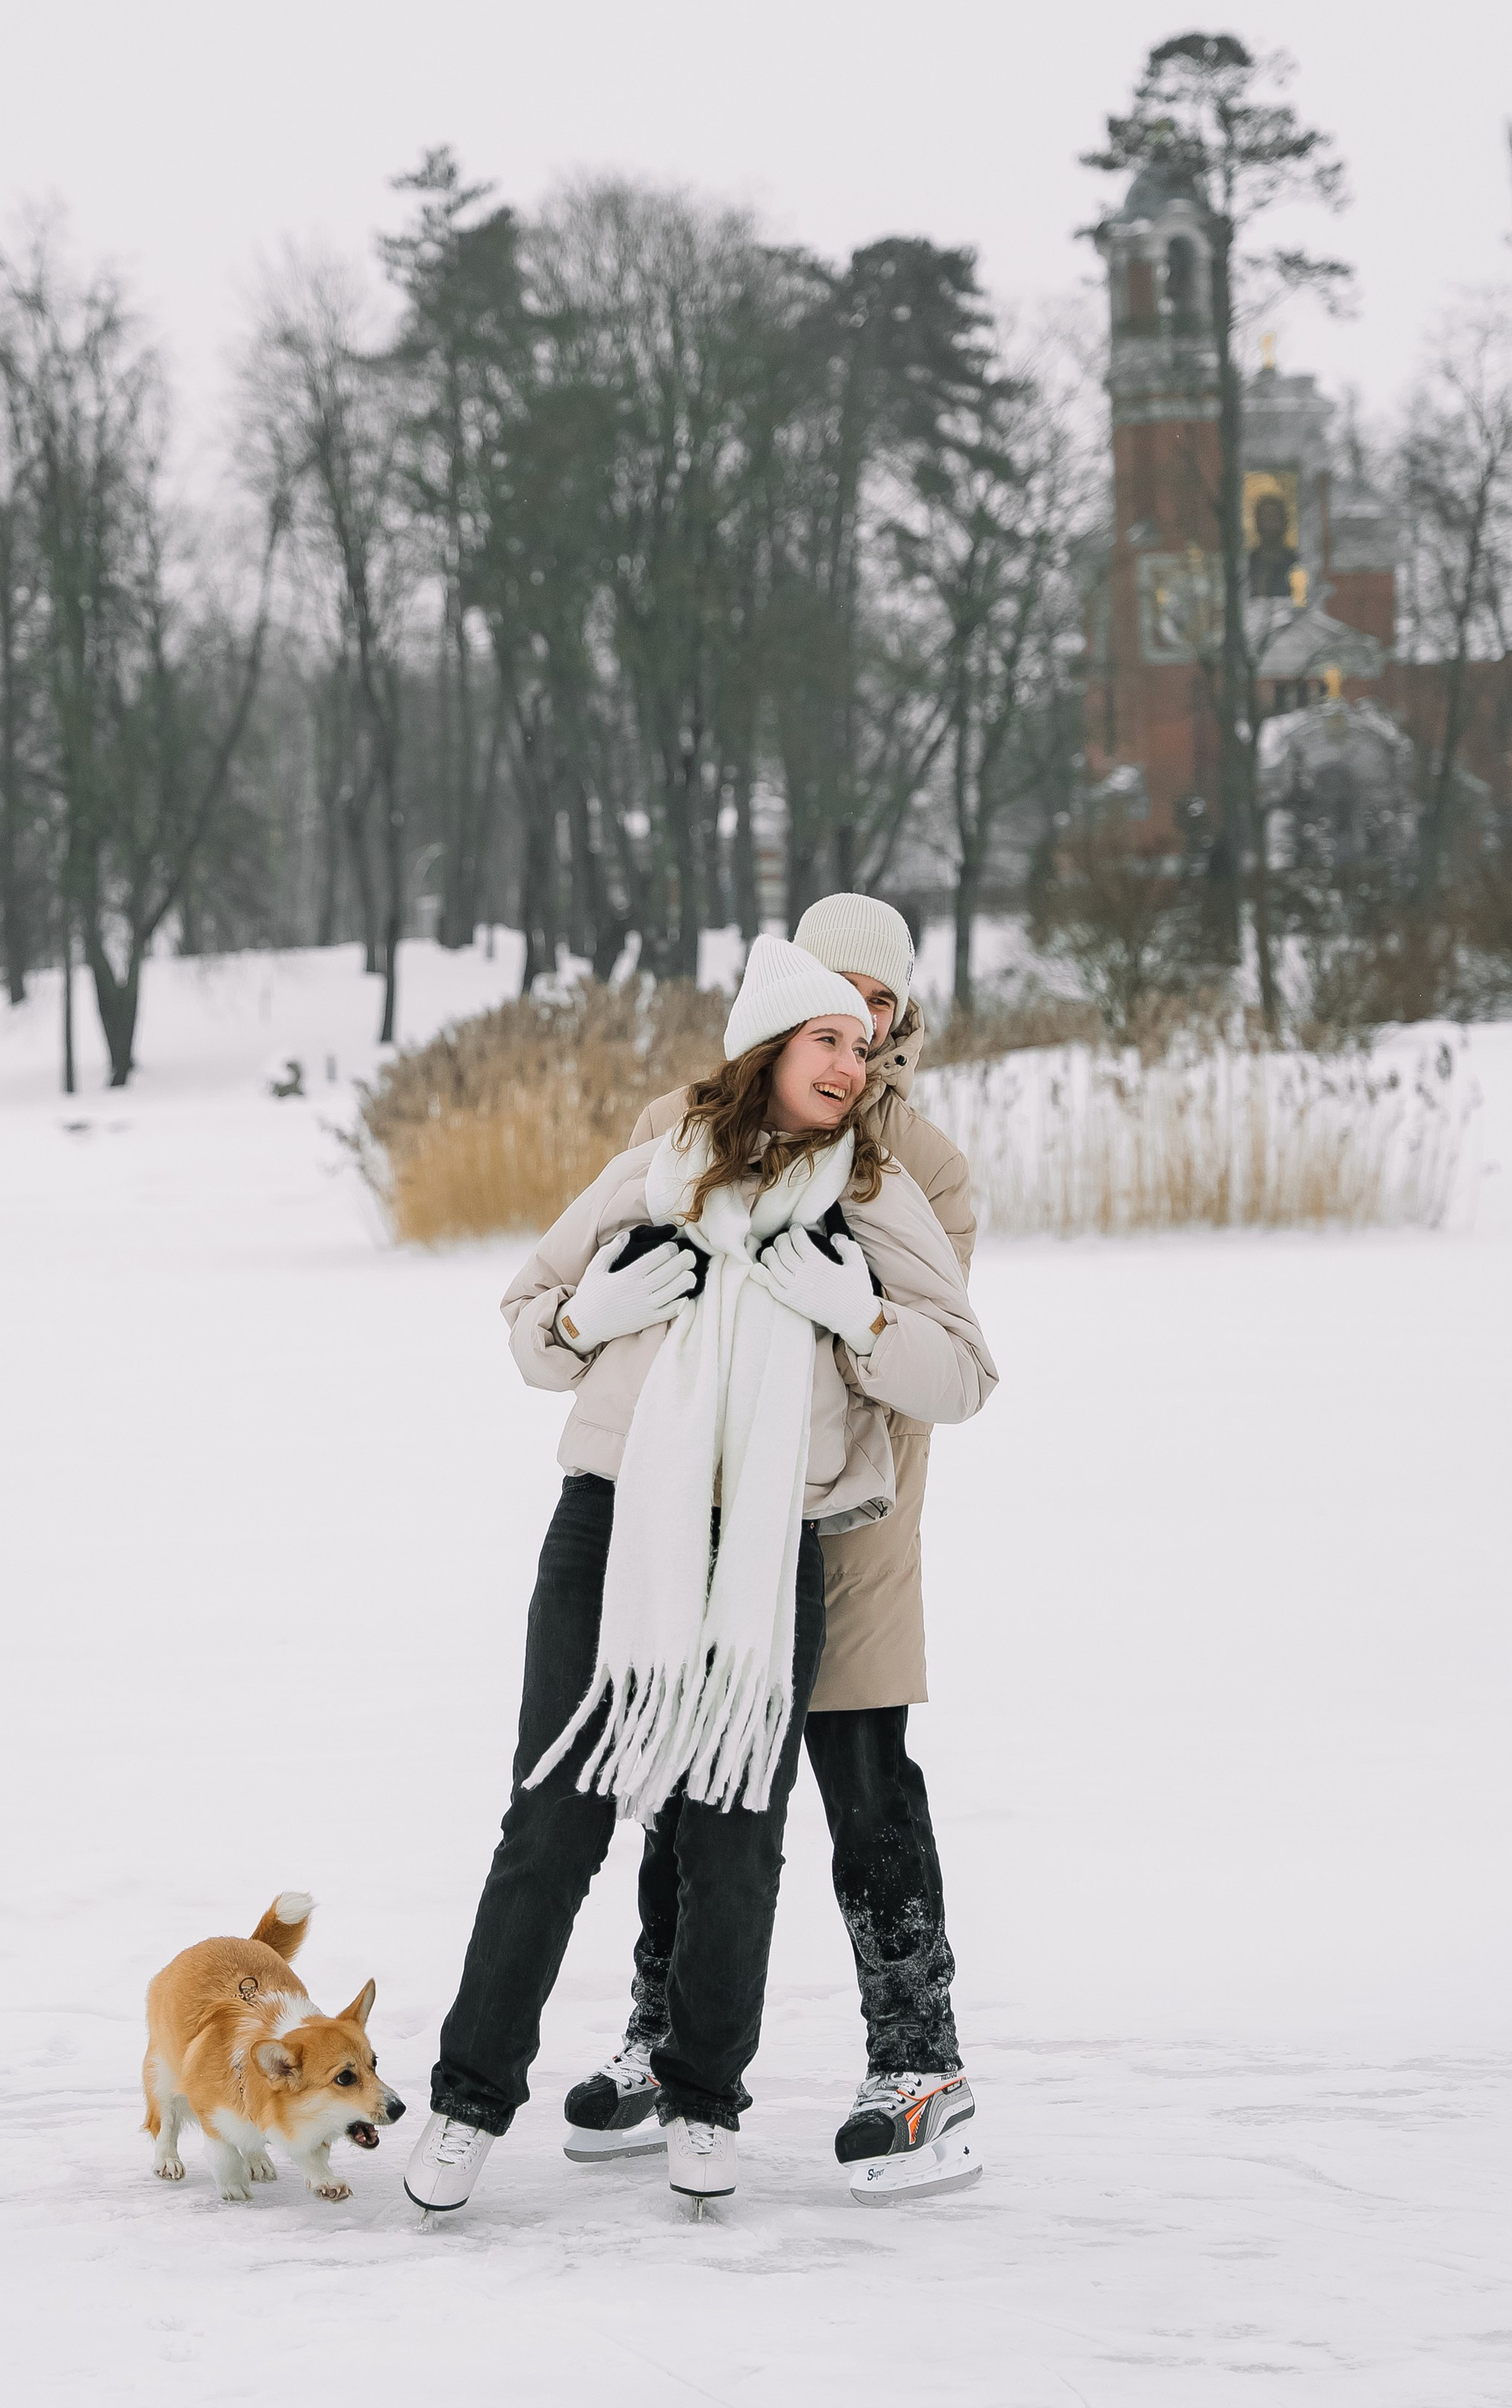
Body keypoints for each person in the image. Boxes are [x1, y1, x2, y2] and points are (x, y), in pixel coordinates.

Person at [404, 934, 995, 2217]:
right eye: (827, 1037)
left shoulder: (878, 1187)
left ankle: (705, 2099)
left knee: (736, 1831)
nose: (852, 1062)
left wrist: (862, 1314)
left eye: (867, 1043)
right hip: (612, 1525)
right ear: (767, 1045)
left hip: (774, 1540)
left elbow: (963, 1373)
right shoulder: (653, 1170)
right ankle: (466, 2101)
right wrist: (586, 1320)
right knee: (553, 1820)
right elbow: (529, 1322)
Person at [564, 891, 990, 2201]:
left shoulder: (920, 1163)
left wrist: (852, 1316)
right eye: (832, 997)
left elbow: (941, 1361)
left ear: (899, 1019)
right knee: (690, 1769)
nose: (855, 1026)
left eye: (878, 1005)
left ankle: (918, 2060)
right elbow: (626, 1304)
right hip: (698, 1508)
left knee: (867, 1784)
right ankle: (663, 2034)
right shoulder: (678, 1124)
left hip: (848, 1515)